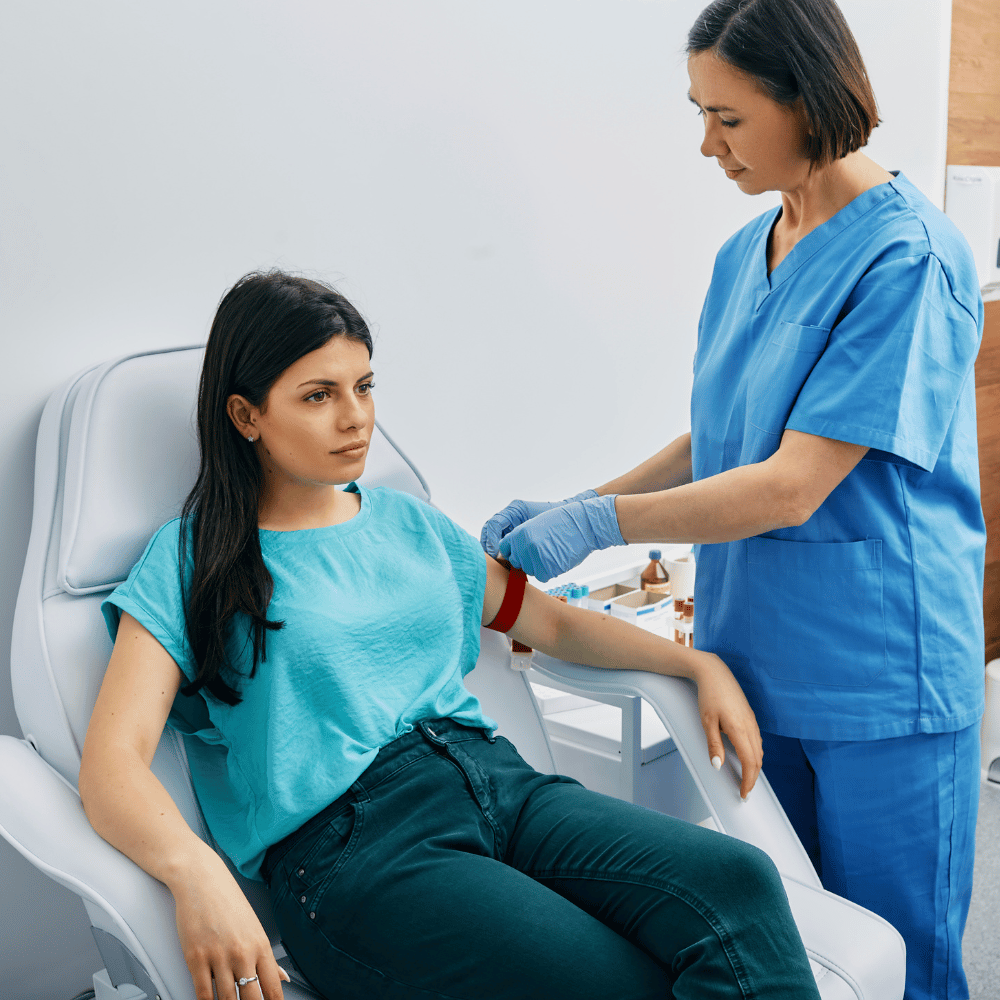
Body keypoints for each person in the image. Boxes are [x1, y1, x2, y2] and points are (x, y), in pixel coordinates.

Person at [78, 270, 823, 1000]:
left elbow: (550, 621)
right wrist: (196, 872)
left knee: (738, 882)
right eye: (318, 396)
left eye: (364, 387)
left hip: (500, 784)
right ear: (247, 416)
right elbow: (113, 766)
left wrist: (698, 667)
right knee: (616, 979)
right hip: (357, 852)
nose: (356, 417)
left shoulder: (410, 523)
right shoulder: (196, 559)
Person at [480, 2, 986, 999]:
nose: (704, 145)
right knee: (804, 946)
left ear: (810, 102)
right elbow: (715, 444)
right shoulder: (742, 253)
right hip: (756, 655)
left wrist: (598, 526)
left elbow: (792, 485)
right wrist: (578, 502)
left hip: (883, 669)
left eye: (729, 118)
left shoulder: (907, 258)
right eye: (698, 112)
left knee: (898, 958)